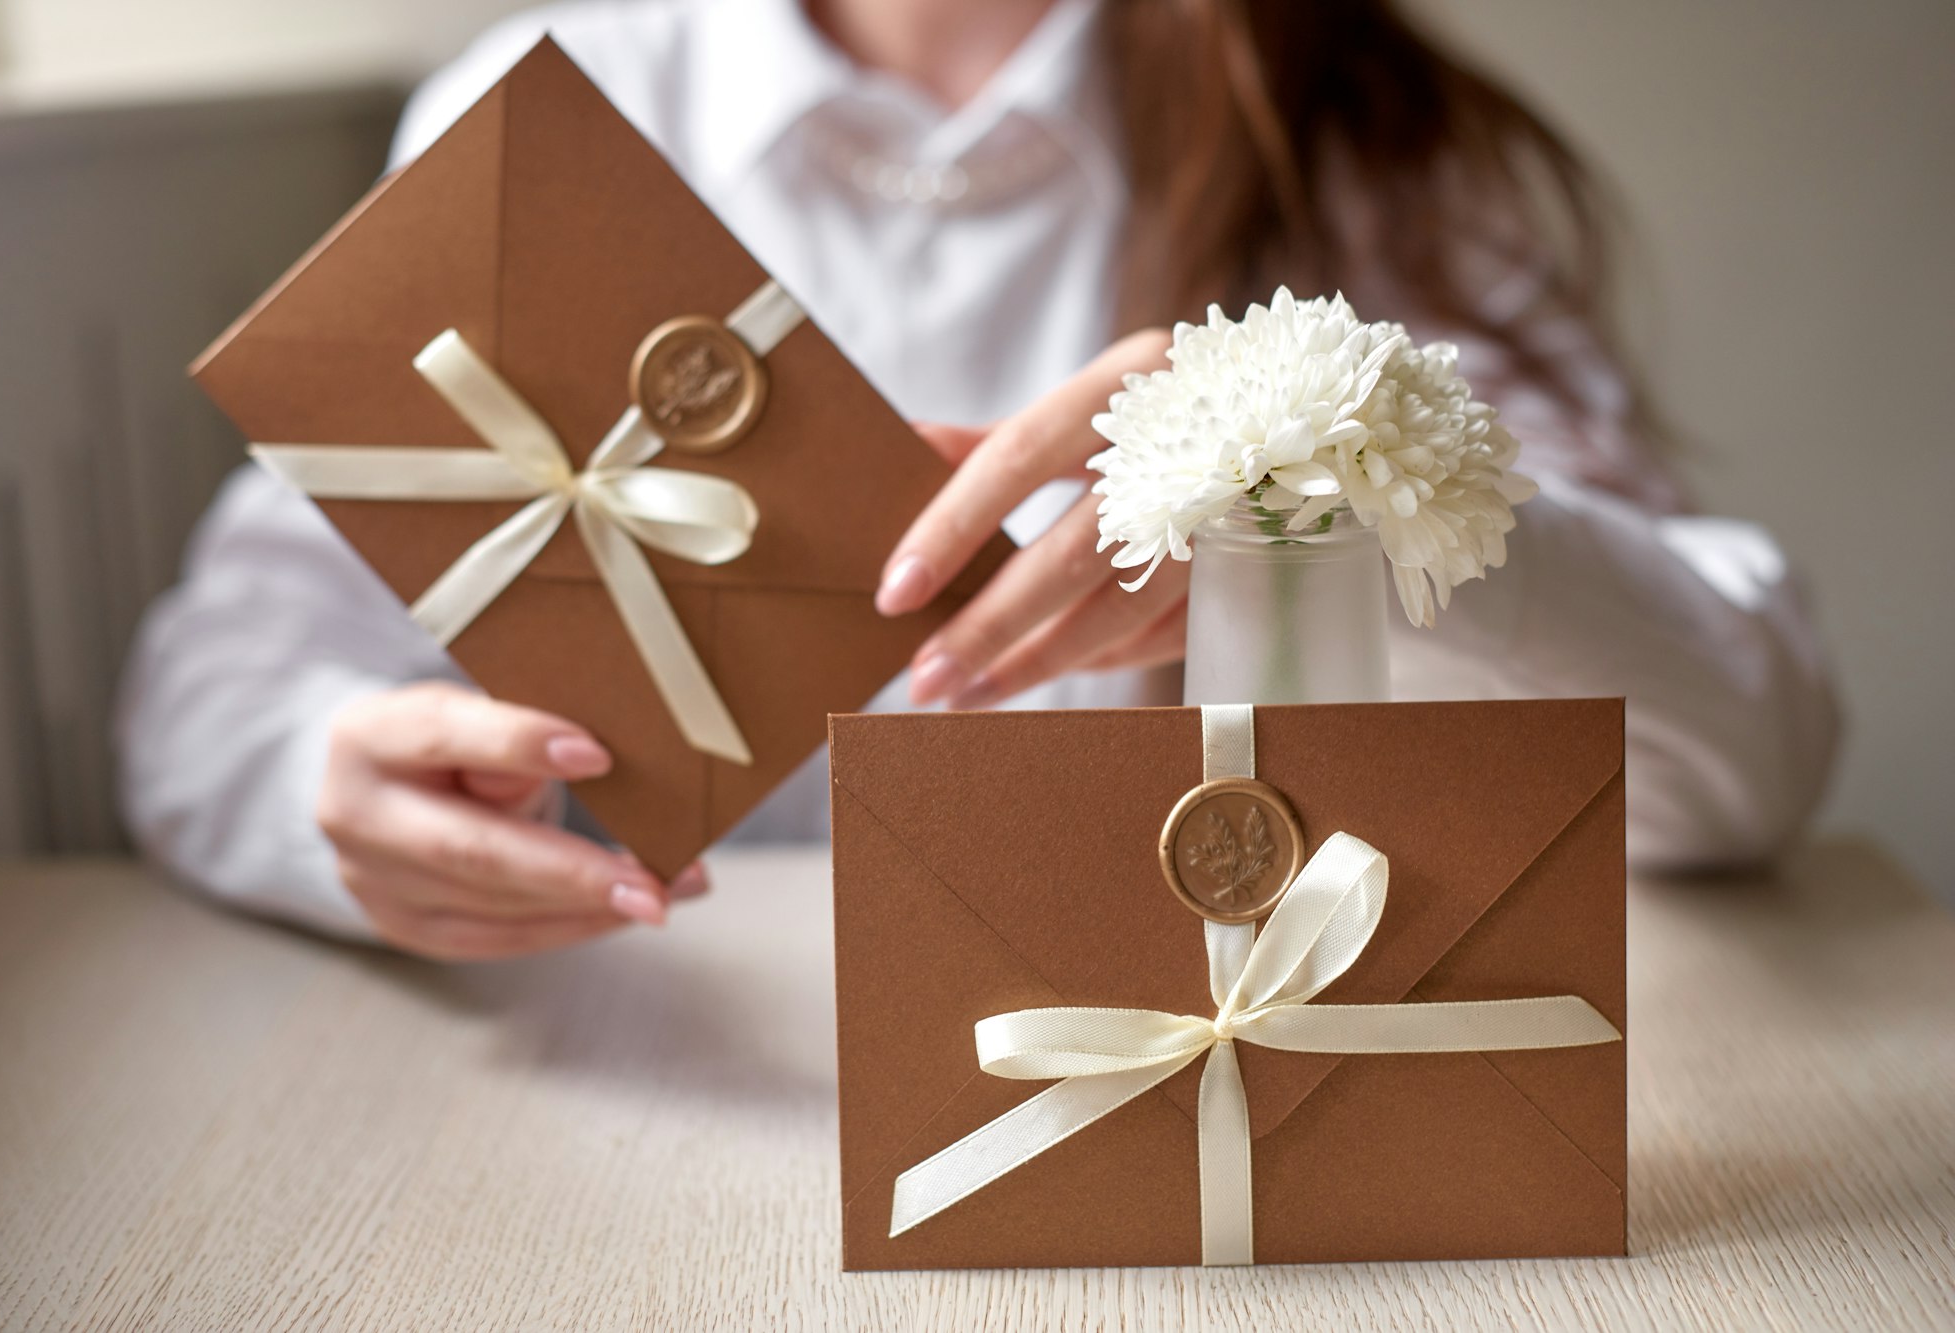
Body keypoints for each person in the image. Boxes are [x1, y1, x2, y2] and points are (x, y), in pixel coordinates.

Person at [117, 0, 1838, 960]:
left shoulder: (1364, 139)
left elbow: (1750, 753)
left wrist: (1343, 486)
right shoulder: (546, 112)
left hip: (1207, 1096)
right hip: (655, 1066)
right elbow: (223, 671)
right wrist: (327, 796)